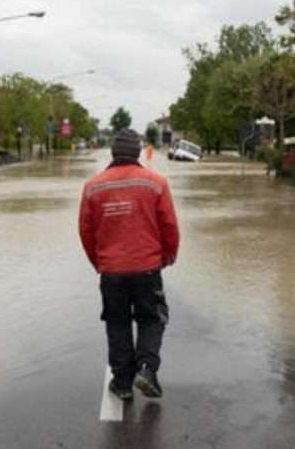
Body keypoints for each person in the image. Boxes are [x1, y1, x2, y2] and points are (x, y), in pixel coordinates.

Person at [79, 129, 181, 401]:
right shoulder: (156, 183)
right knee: (151, 318)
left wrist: (99, 262)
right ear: (138, 153)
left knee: (117, 323)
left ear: (113, 153)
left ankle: (122, 383)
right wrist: (168, 256)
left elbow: (86, 233)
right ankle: (147, 370)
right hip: (147, 268)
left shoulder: (93, 187)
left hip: (111, 271)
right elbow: (169, 226)